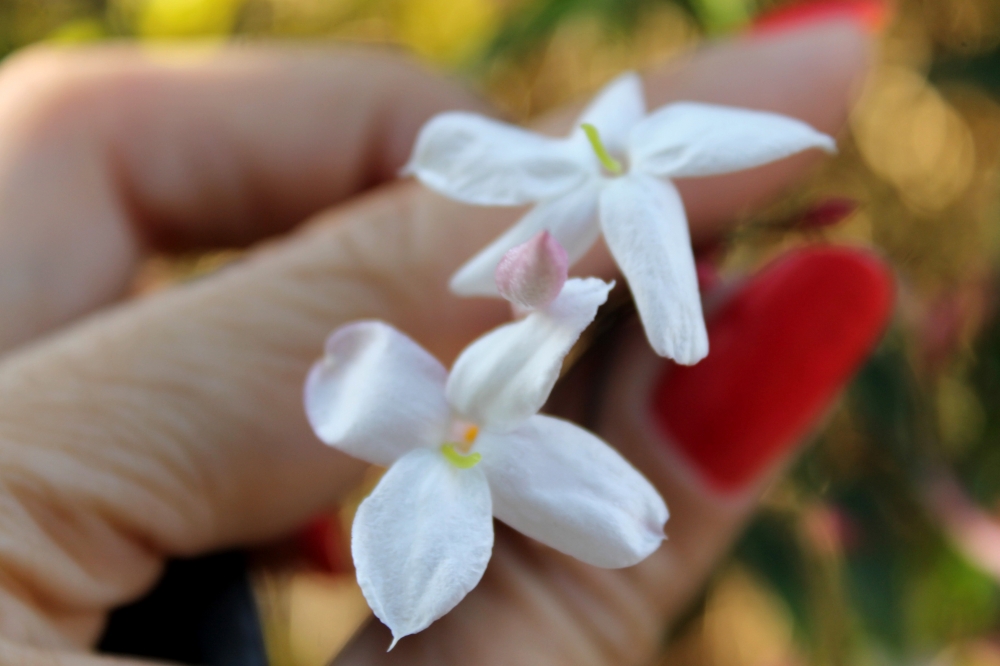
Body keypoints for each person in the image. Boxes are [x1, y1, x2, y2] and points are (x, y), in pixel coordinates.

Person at [0, 17, 886, 665]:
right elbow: (465, 346)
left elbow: (566, 347)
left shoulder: (607, 194)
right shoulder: (431, 375)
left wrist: (609, 311)